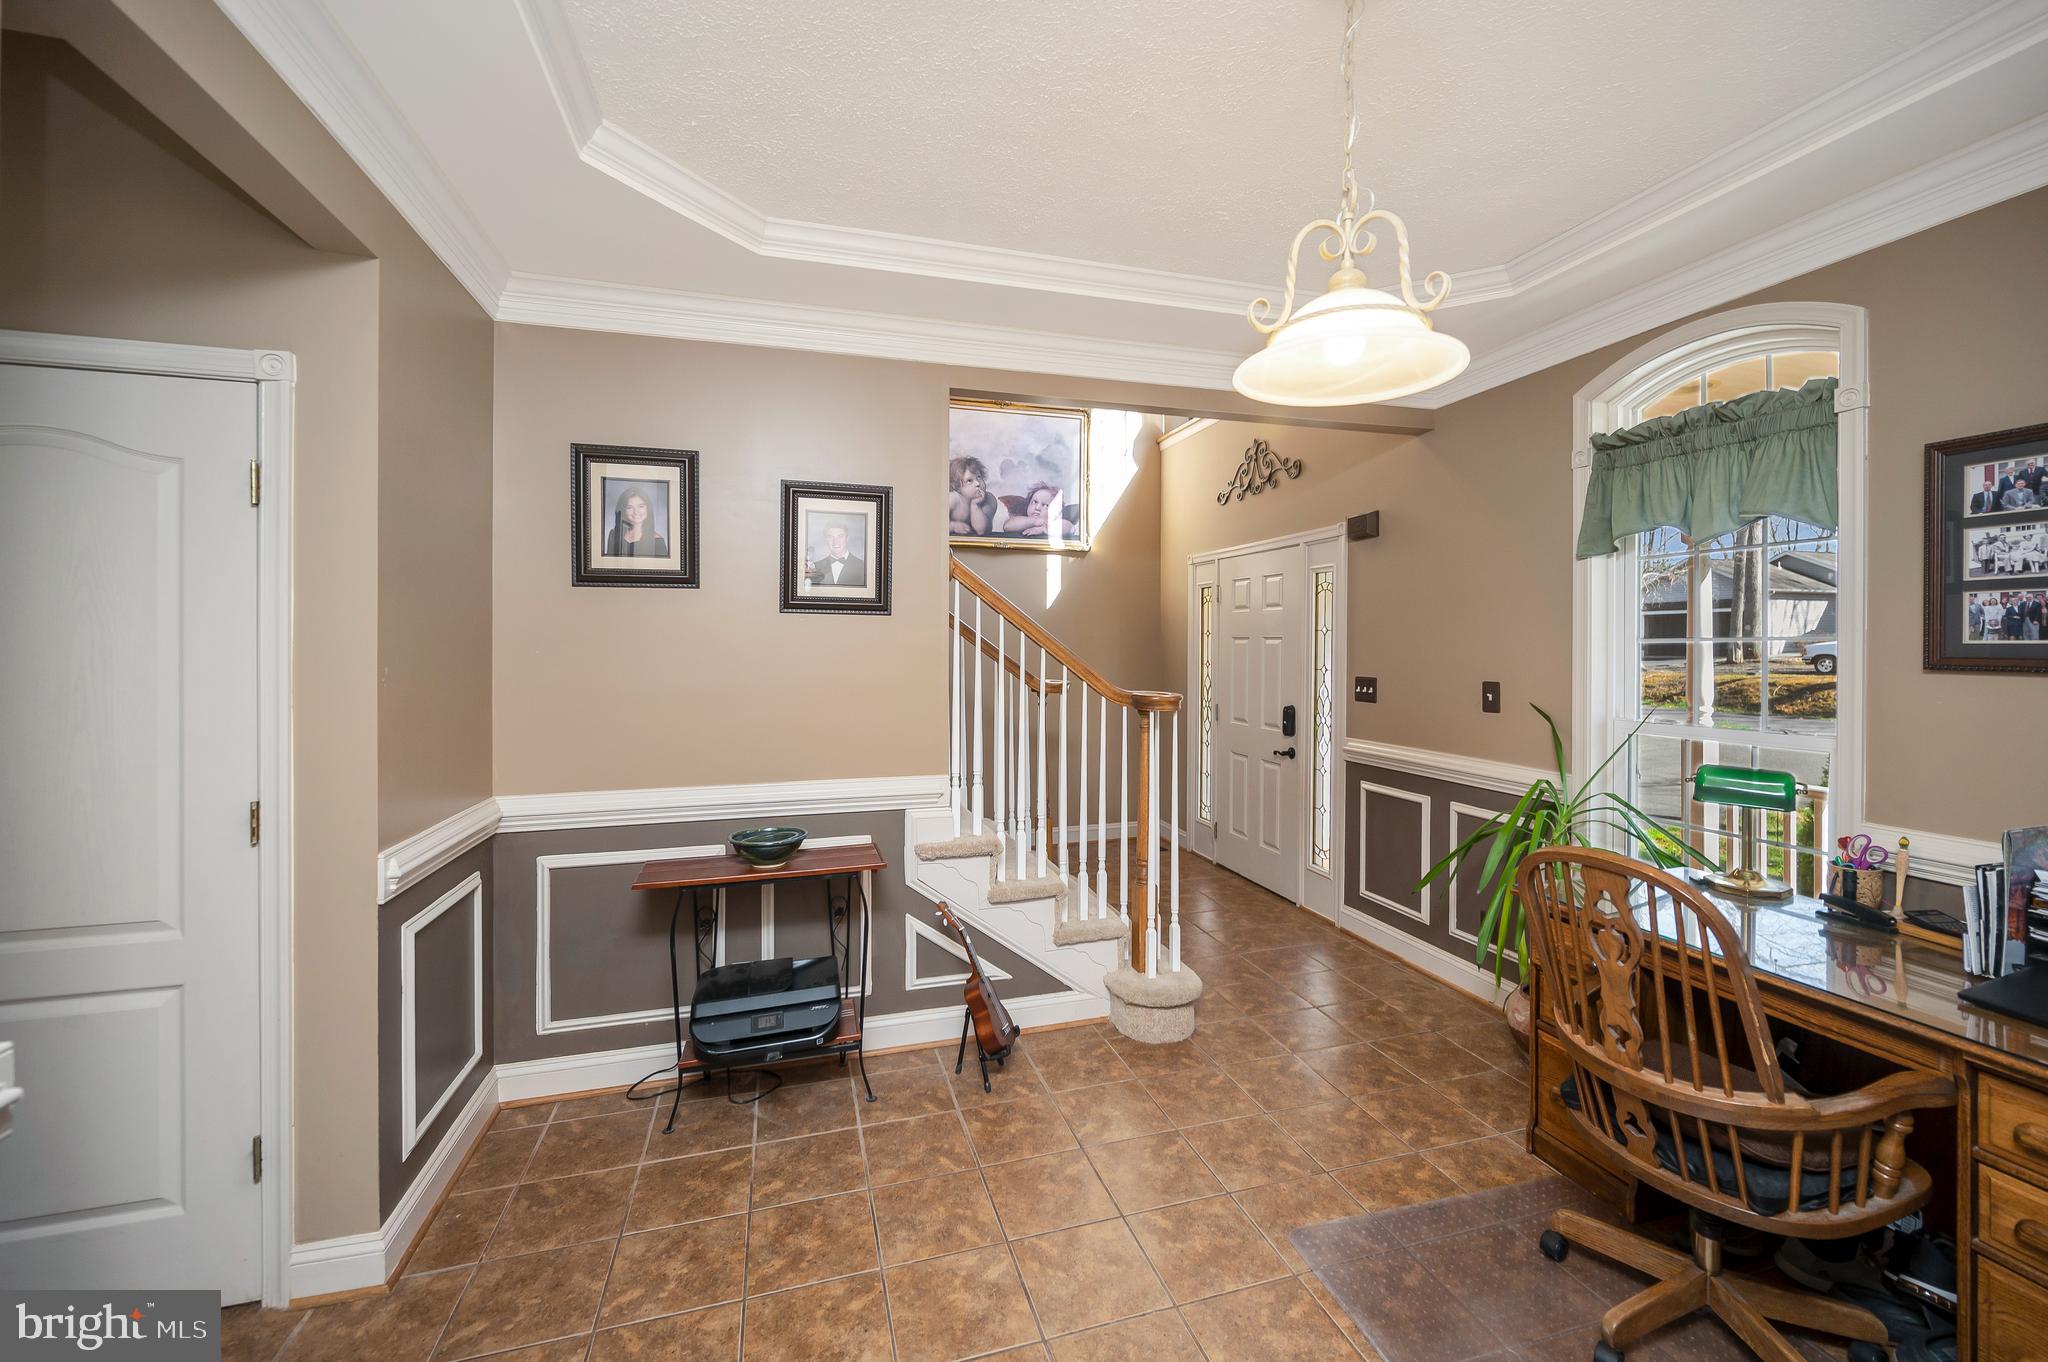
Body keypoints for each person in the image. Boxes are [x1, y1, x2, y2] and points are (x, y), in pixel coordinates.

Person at [604, 486, 668, 557]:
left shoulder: (658, 542)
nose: (636, 512)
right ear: (623, 510)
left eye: (641, 506)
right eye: (629, 507)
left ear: (648, 509)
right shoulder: (614, 534)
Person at [804, 522, 866, 587]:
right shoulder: (815, 567)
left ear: (847, 539)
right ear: (826, 540)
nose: (835, 542)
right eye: (830, 537)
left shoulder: (863, 566)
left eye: (840, 536)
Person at [948, 457, 998, 536]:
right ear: (956, 487)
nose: (977, 483)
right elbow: (933, 523)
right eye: (969, 481)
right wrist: (952, 526)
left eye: (979, 477)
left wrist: (975, 505)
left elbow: (981, 531)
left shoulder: (989, 499)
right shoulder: (952, 499)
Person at [996, 482, 1061, 537]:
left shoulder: (1055, 521)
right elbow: (1007, 526)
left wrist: (1044, 529)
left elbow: (1069, 527)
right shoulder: (1023, 519)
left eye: (1046, 505)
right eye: (1034, 502)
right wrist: (1036, 521)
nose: (1037, 508)